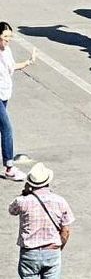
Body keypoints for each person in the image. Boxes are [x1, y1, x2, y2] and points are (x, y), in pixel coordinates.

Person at [8, 162, 73, 279]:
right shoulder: (60, 201)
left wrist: (24, 192)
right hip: (52, 251)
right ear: (48, 181)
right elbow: (66, 229)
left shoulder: (22, 201)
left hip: (29, 253)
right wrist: (58, 246)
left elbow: (11, 210)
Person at [0, 22, 35, 181]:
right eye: (5, 37)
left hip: (5, 93)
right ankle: (9, 167)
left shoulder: (7, 51)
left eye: (9, 37)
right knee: (7, 128)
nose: (8, 40)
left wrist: (28, 62)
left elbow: (12, 67)